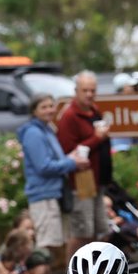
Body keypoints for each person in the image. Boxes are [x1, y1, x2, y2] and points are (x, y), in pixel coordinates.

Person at [18, 93, 89, 265]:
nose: (49, 110)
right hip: (43, 194)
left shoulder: (48, 129)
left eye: (51, 106)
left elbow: (55, 160)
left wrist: (69, 157)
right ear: (34, 111)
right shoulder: (33, 133)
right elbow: (43, 166)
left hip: (55, 193)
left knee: (58, 241)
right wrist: (71, 163)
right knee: (47, 244)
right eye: (44, 107)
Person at [57, 71, 112, 258]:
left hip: (98, 181)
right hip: (81, 183)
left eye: (93, 90)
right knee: (82, 232)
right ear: (76, 91)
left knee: (101, 229)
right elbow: (68, 151)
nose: (89, 94)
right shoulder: (70, 116)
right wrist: (96, 139)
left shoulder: (94, 111)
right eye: (85, 90)